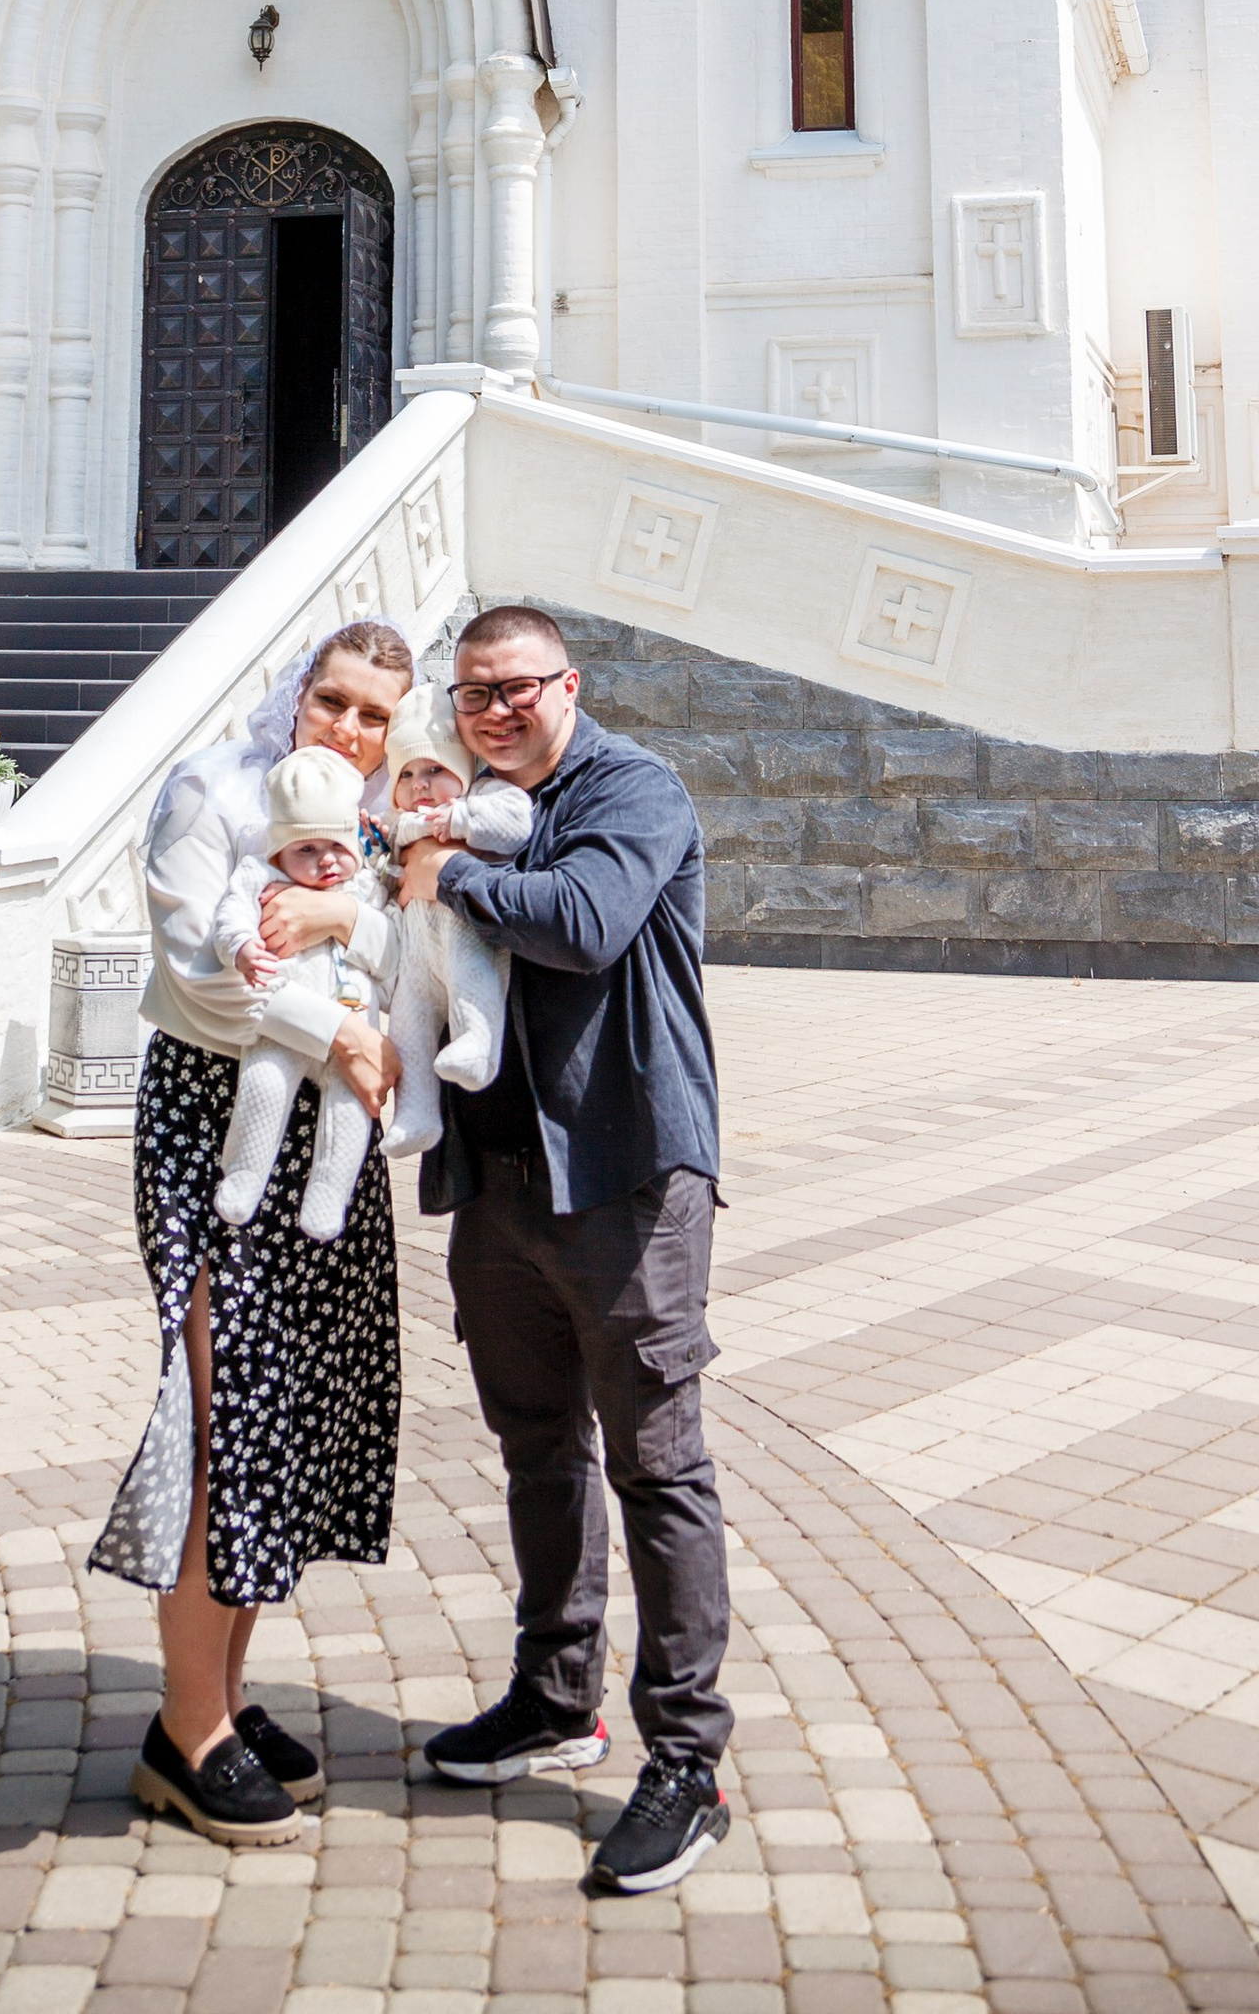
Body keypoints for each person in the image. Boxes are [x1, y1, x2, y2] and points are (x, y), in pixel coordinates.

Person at [399, 602, 733, 1898]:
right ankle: (555, 1699)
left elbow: (586, 922)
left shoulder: (632, 790)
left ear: (568, 685)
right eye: (474, 694)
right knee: (539, 1449)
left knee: (658, 1466)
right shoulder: (466, 793)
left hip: (626, 1178)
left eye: (516, 690)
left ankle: (689, 1763)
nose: (494, 712)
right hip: (500, 1182)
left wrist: (439, 870)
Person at [89, 619, 411, 1849]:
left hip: (323, 1130)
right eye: (334, 700)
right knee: (219, 1414)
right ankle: (185, 1733)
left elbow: (400, 947)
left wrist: (342, 935)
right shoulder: (211, 790)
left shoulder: (370, 827)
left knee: (277, 1416)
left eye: (375, 715)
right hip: (218, 1117)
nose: (348, 729)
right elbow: (193, 960)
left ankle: (220, 1697)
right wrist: (335, 1031)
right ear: (299, 691)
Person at [210, 746, 398, 1240]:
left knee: (351, 1110)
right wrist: (244, 947)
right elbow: (228, 918)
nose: (326, 862)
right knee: (263, 1086)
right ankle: (244, 1177)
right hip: (287, 1027)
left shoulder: (365, 885)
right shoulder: (261, 877)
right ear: (279, 851)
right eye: (306, 850)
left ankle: (329, 1196)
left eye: (336, 846)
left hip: (355, 1030)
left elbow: (397, 945)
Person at [379, 695, 536, 1162]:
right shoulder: (398, 821)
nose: (420, 786)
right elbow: (385, 867)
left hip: (465, 927)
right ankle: (416, 1114)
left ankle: (478, 1046)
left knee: (473, 978)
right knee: (409, 1023)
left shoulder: (484, 797)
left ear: (463, 768)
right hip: (416, 953)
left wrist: (461, 819)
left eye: (434, 770)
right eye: (406, 775)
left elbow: (518, 823)